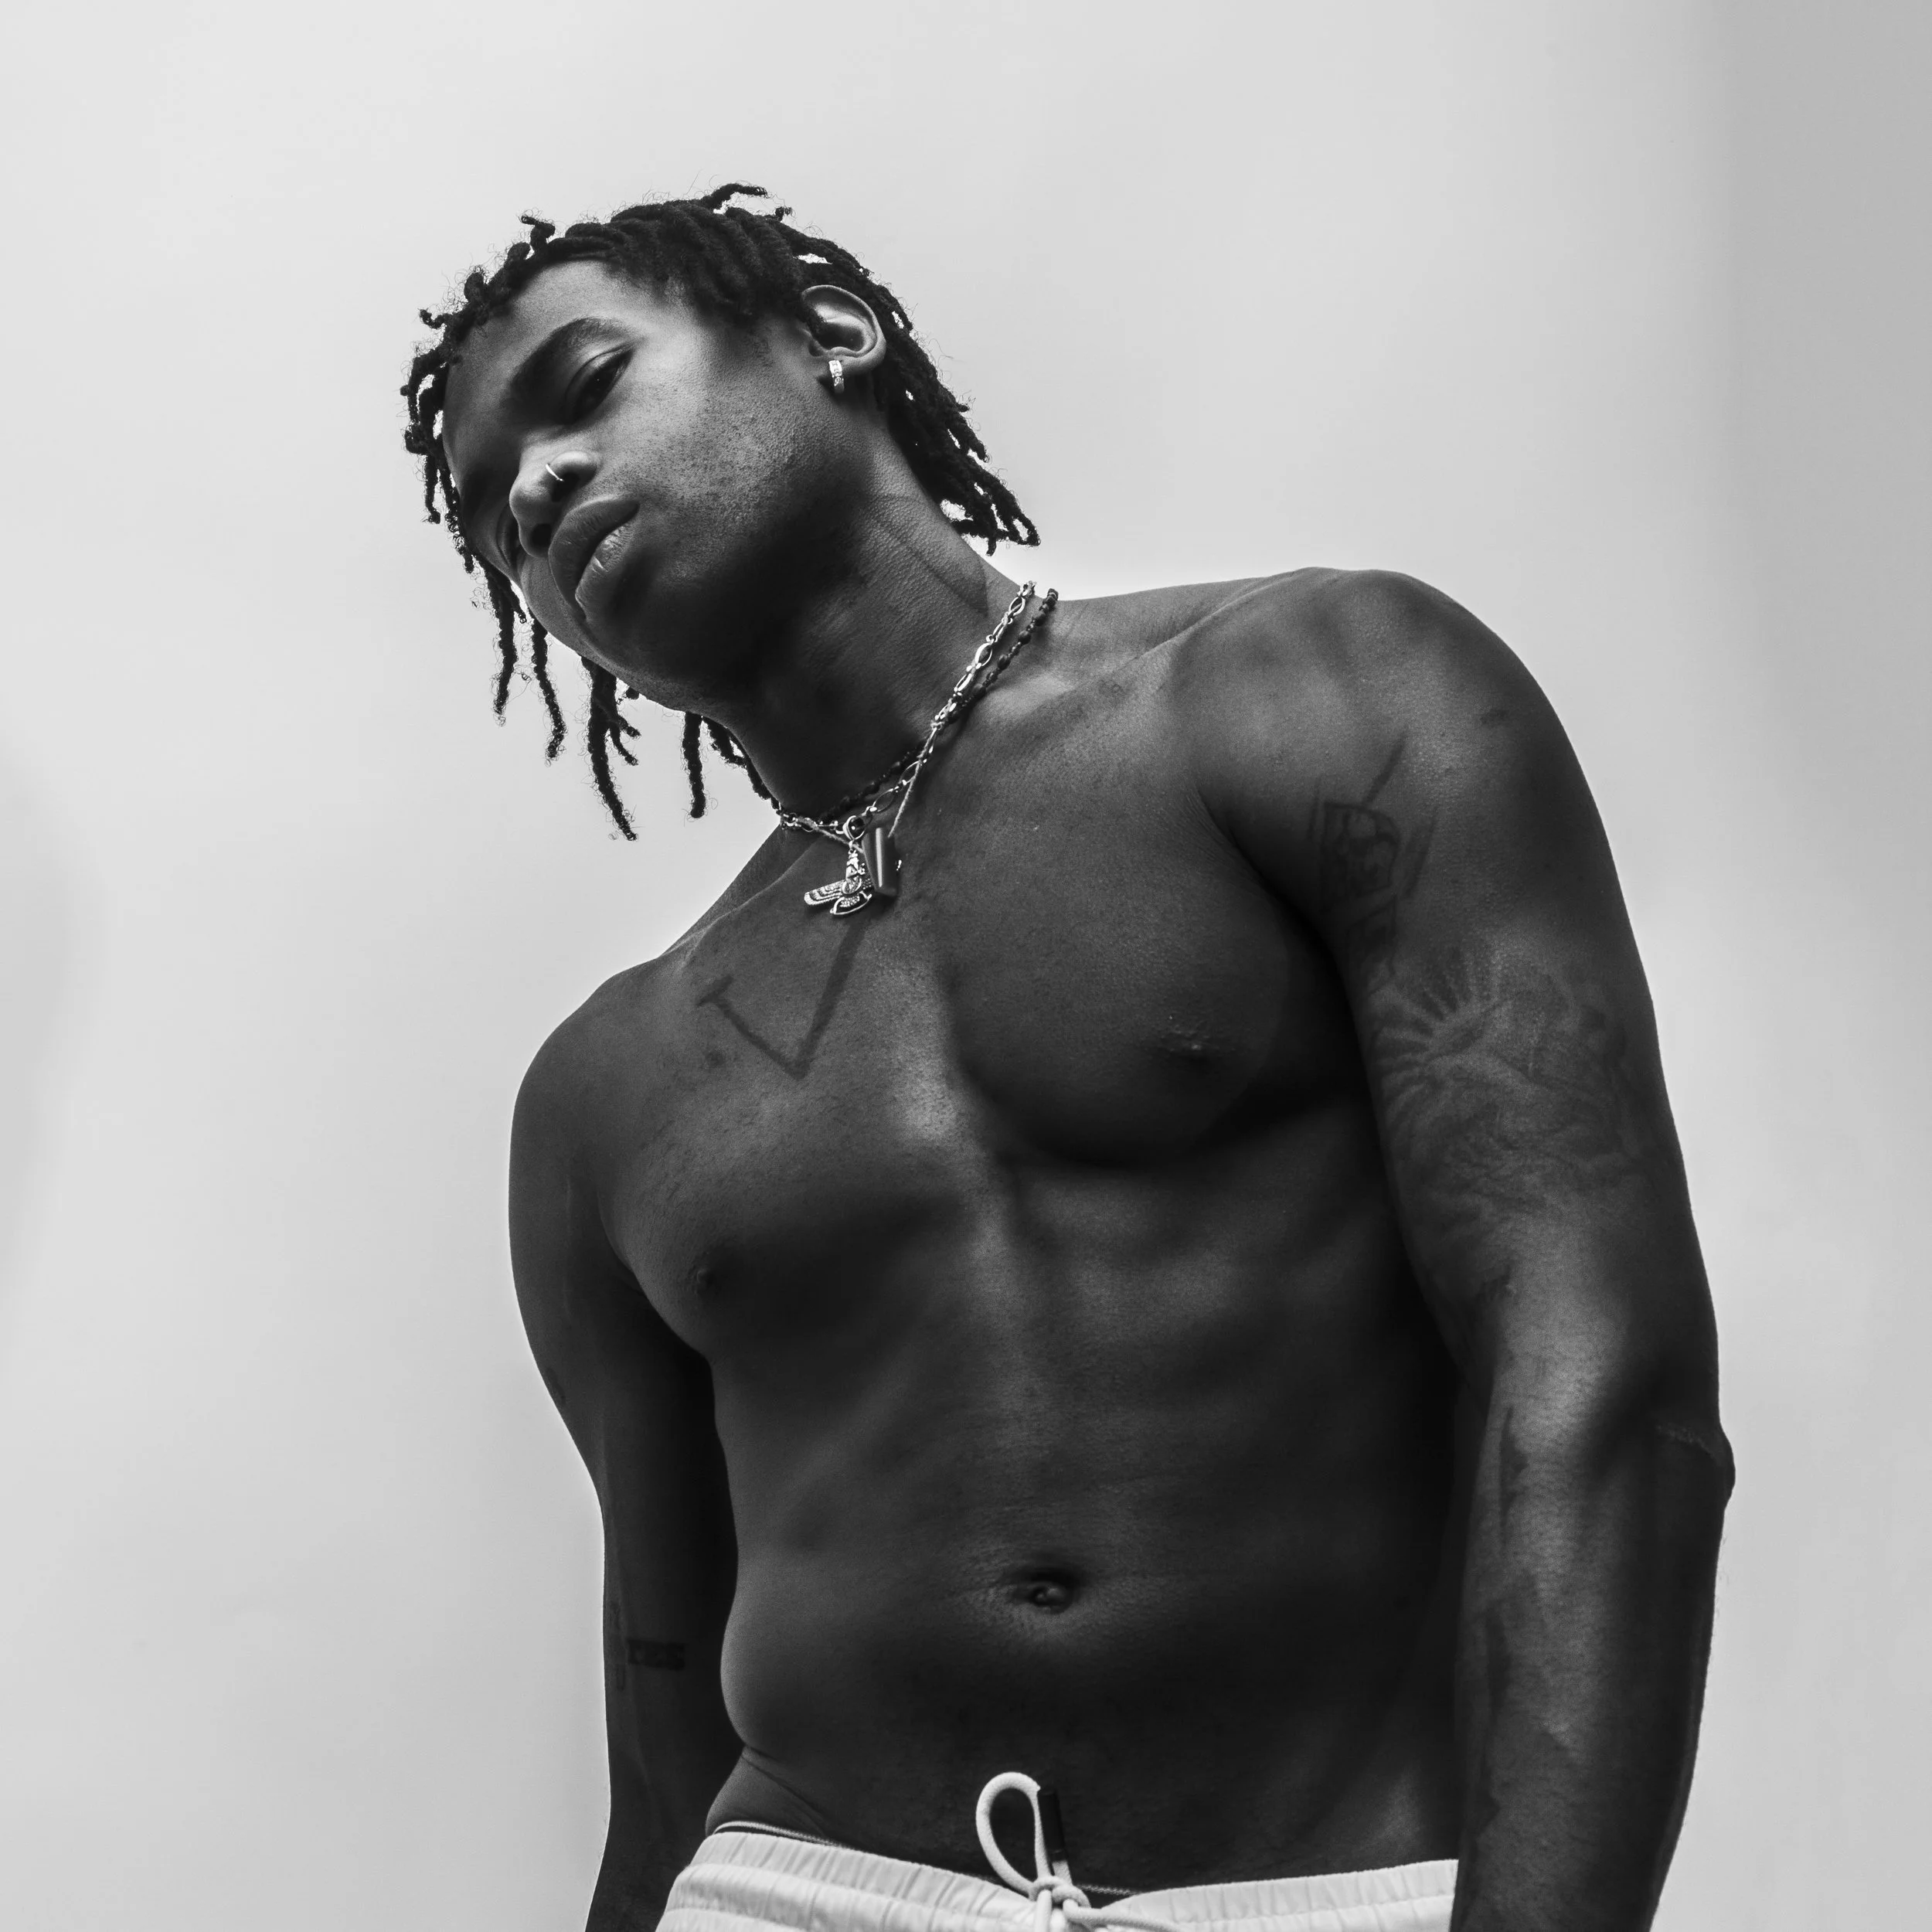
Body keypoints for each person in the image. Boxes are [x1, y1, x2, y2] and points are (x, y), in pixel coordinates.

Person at [402, 186, 1732, 1932]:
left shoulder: (1324, 696)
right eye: (493, 515)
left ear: (831, 333)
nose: (534, 489)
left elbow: (1602, 1387)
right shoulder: (603, 1093)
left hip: (1327, 1889)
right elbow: (662, 1737)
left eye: (583, 387)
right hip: (798, 1890)